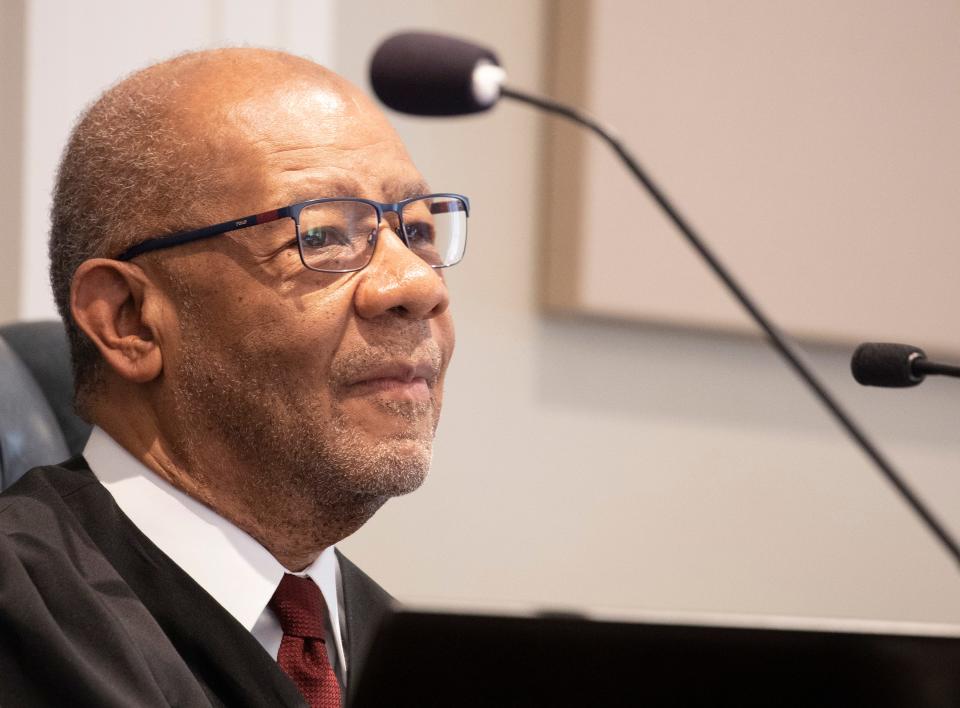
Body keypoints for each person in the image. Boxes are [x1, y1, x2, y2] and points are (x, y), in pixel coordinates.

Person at [0, 47, 465, 707]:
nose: (417, 285)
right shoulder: (23, 622)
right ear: (129, 319)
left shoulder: (425, 665)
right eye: (326, 236)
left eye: (417, 233)